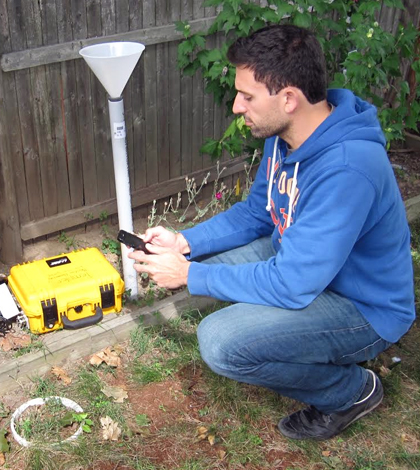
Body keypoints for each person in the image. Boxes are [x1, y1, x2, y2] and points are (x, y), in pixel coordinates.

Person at [128, 24, 415, 440]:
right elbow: (254, 216)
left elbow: (292, 284)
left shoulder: (348, 169)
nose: (236, 107)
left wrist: (189, 275)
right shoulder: (284, 136)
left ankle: (351, 392)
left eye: (247, 96)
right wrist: (184, 243)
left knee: (221, 342)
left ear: (289, 99)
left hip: (361, 305)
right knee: (201, 260)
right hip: (303, 266)